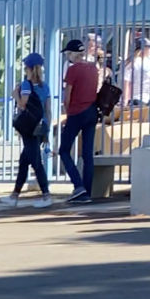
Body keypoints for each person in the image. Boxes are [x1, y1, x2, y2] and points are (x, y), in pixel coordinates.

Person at [57, 39, 100, 203]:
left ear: (73, 54)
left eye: (68, 54)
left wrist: (67, 112)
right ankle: (87, 192)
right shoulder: (93, 68)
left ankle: (78, 186)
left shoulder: (73, 70)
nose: (68, 57)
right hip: (91, 111)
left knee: (64, 150)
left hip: (76, 112)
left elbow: (67, 95)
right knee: (88, 154)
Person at [10, 53, 54, 206]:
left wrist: (15, 95)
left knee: (36, 161)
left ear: (28, 68)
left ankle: (46, 194)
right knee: (25, 160)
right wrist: (47, 129)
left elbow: (23, 104)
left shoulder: (26, 85)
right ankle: (14, 195)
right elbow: (48, 110)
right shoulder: (45, 86)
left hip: (28, 126)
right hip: (40, 126)